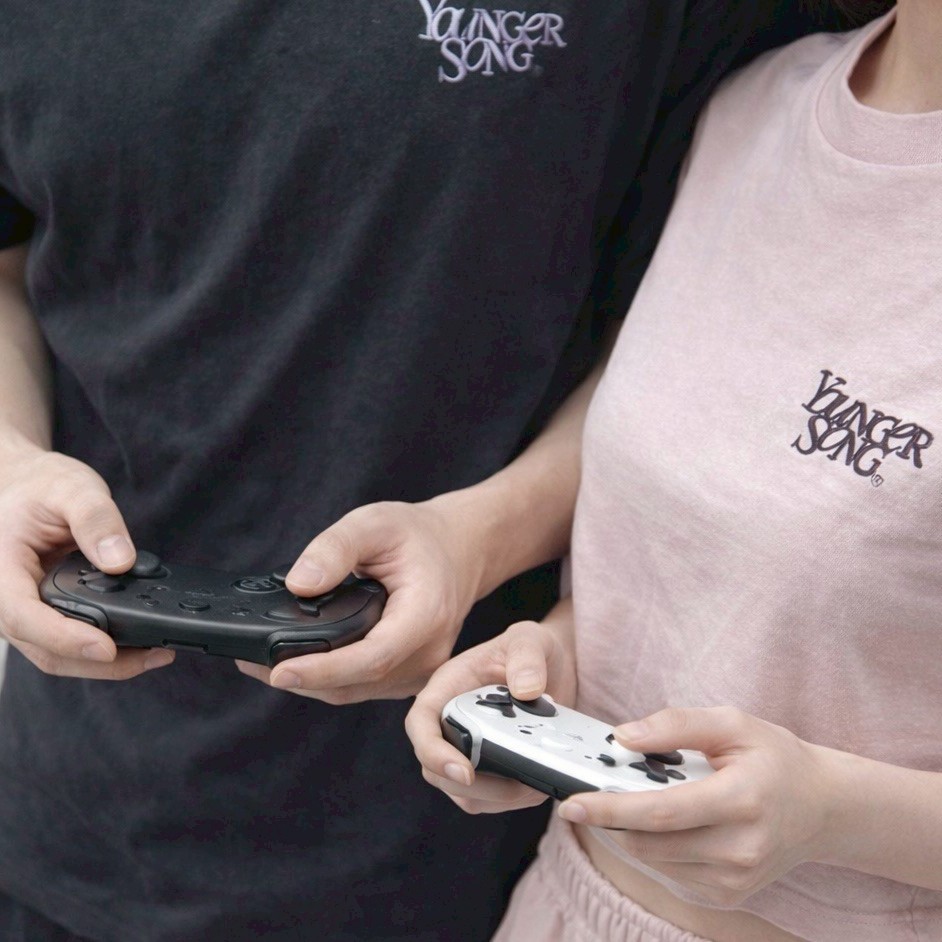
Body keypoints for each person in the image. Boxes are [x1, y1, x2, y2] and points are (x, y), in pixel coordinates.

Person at [0, 4, 844, 941]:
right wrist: (9, 465)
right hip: (64, 812)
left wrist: (479, 536)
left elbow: (719, 335)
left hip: (454, 816)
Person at [406, 2, 942, 940]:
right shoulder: (753, 106)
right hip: (561, 905)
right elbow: (715, 574)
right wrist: (556, 664)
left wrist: (835, 811)